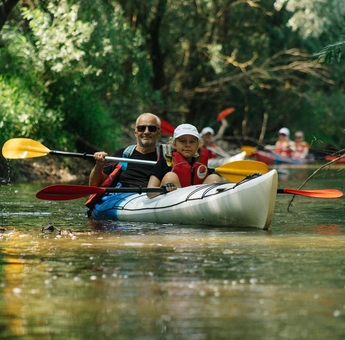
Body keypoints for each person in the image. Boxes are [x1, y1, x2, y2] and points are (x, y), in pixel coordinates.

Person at [146, 123, 222, 198]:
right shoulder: (165, 162)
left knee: (214, 178)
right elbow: (149, 192)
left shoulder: (201, 166)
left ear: (197, 146)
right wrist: (164, 189)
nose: (188, 145)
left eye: (192, 142)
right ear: (174, 144)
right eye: (182, 141)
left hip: (195, 201)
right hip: (171, 203)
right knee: (171, 177)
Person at [89, 113, 162, 188]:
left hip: (152, 197)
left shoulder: (166, 158)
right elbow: (94, 185)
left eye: (152, 128)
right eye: (142, 128)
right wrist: (99, 165)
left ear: (159, 133)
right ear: (135, 132)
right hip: (122, 196)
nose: (146, 132)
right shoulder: (120, 155)